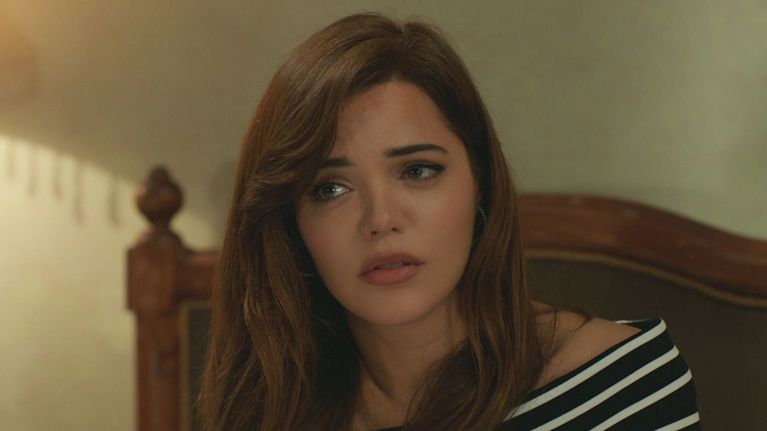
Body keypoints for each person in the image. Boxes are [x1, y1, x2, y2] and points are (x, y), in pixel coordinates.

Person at [199, 12, 700, 431]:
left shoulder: (622, 384)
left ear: (481, 182)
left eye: (418, 171)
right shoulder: (268, 412)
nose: (381, 220)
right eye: (330, 189)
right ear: (290, 222)